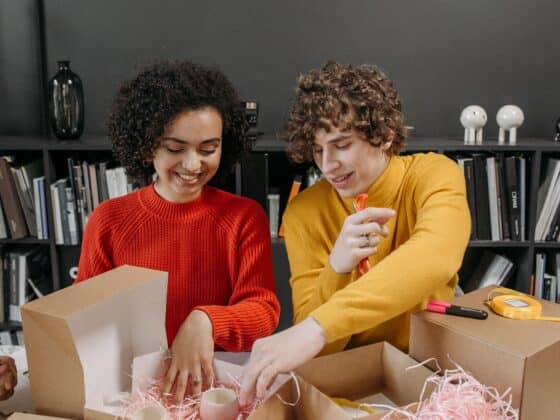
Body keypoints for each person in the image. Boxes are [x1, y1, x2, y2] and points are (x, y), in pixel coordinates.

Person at [239, 61, 470, 405]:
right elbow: (317, 350)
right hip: (351, 383)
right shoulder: (303, 212)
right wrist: (336, 269)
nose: (327, 164)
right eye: (318, 150)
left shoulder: (434, 174)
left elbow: (436, 257)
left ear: (386, 134)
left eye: (342, 145)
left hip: (430, 370)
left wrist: (319, 326)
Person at [74, 60, 280, 402]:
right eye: (175, 148)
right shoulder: (108, 220)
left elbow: (263, 310)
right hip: (131, 394)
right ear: (147, 144)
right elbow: (84, 318)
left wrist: (206, 321)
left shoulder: (244, 217)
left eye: (208, 149)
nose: (192, 164)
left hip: (215, 388)